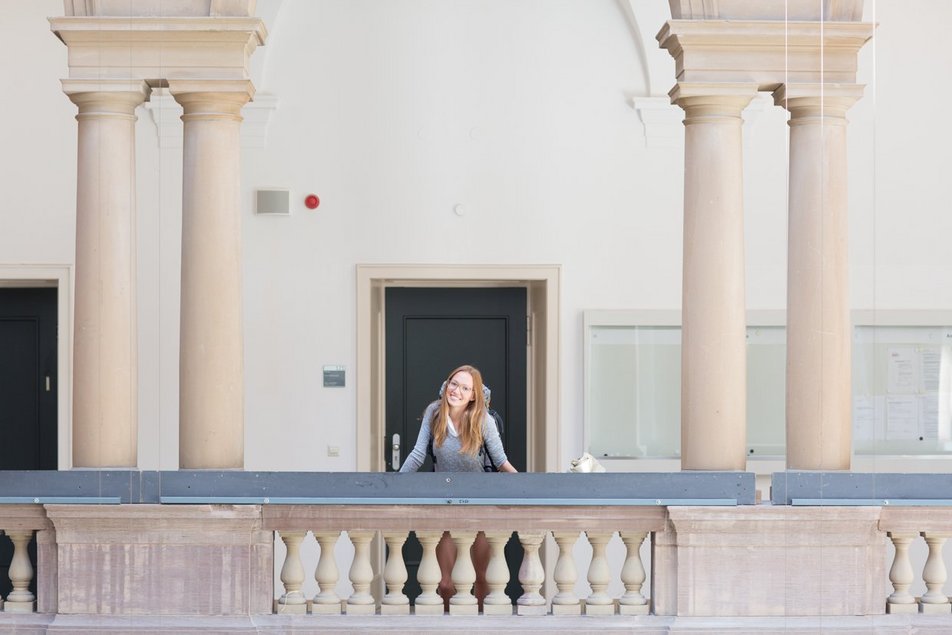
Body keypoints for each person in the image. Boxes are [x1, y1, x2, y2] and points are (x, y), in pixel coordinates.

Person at [399, 364, 517, 609]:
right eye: (454, 384)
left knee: (483, 578)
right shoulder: (434, 413)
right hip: (447, 503)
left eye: (465, 388)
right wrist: (394, 482)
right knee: (444, 583)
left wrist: (526, 485)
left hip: (481, 504)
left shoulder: (483, 419)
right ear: (446, 385)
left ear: (474, 395)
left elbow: (500, 460)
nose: (457, 391)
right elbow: (418, 454)